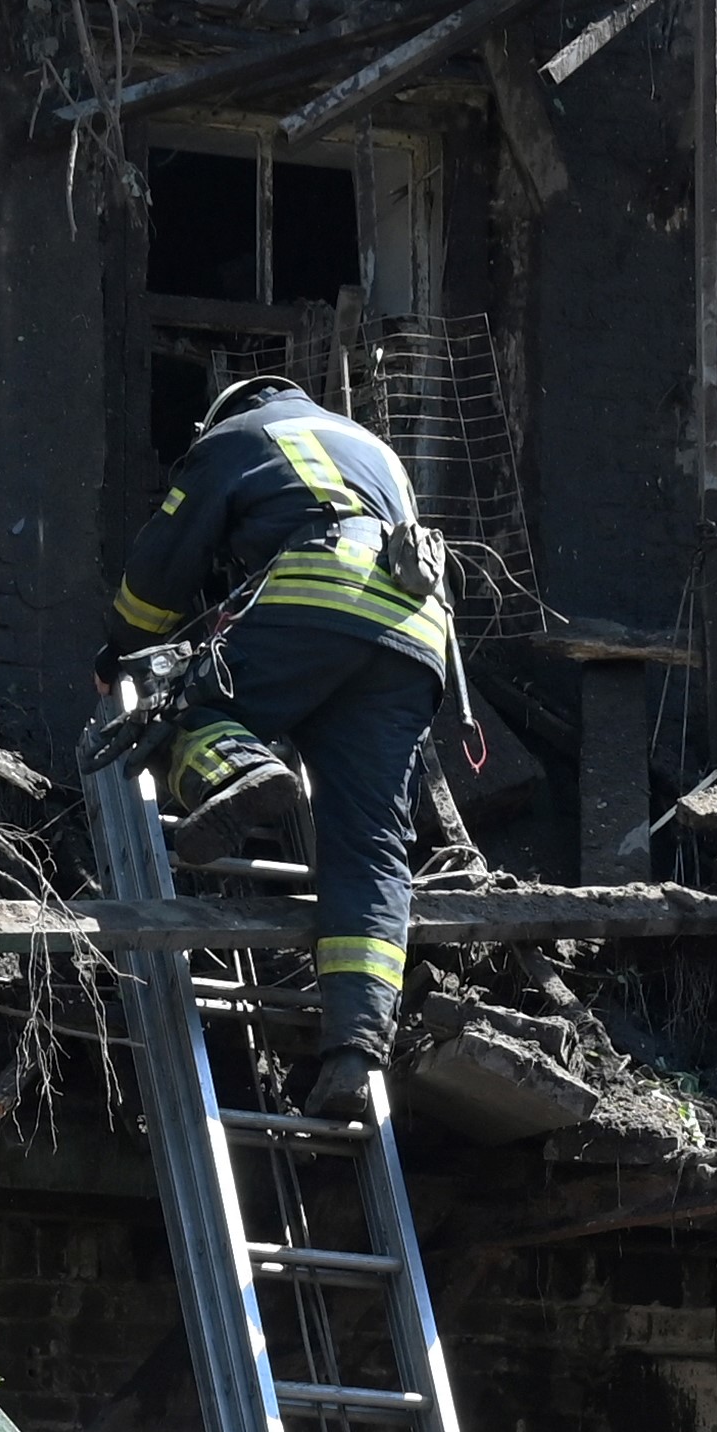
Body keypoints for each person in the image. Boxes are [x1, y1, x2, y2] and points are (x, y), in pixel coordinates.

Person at [108, 369, 464, 1100]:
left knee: (169, 712)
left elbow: (160, 573)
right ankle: (357, 1053)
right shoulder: (373, 449)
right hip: (416, 631)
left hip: (320, 589)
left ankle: (239, 768)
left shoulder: (235, 438)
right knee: (368, 843)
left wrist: (120, 651)